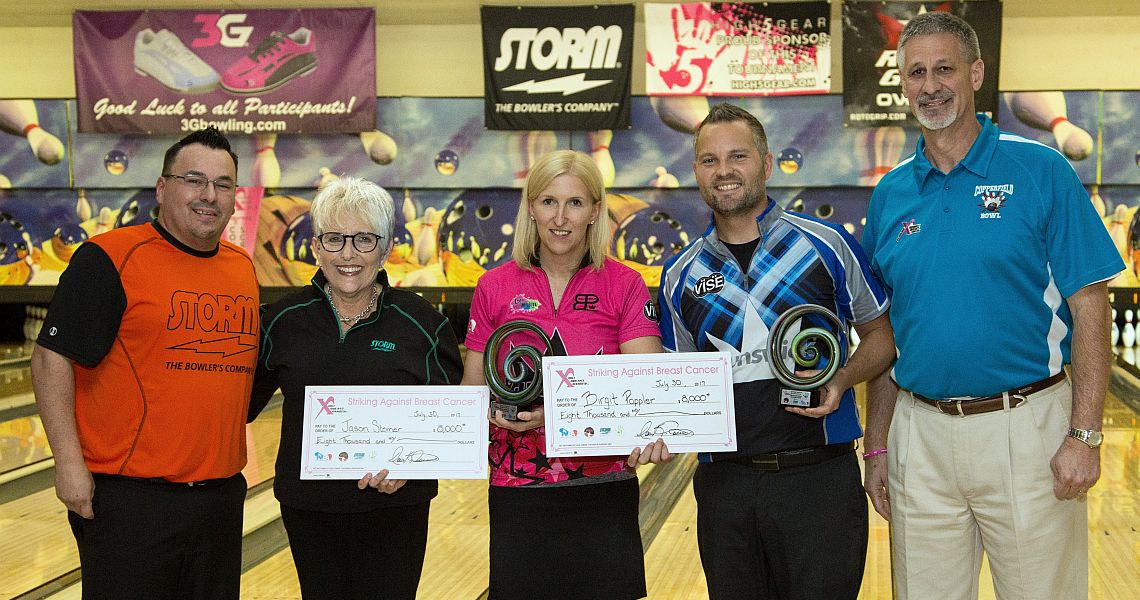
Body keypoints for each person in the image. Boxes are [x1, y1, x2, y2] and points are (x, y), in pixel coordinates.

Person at [860, 13, 1124, 600]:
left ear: (976, 73)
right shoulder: (891, 193)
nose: (930, 85)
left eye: (944, 69)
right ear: (902, 83)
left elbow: (1089, 305)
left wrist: (1084, 434)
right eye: (916, 72)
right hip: (919, 434)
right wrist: (877, 442)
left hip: (1028, 428)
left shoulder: (1041, 170)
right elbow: (884, 331)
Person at [657, 103, 894, 599]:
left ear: (766, 164)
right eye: (709, 160)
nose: (724, 171)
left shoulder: (824, 244)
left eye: (738, 155)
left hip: (819, 480)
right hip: (726, 488)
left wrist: (843, 379)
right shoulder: (679, 273)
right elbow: (674, 380)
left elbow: (882, 336)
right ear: (696, 171)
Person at [31, 126, 257, 599]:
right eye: (194, 180)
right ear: (162, 188)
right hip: (131, 500)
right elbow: (52, 358)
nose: (209, 196)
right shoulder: (110, 257)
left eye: (223, 184)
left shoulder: (242, 267)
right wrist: (68, 465)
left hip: (220, 498)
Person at [460, 150, 670, 600]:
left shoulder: (624, 284)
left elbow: (644, 388)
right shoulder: (494, 285)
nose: (560, 217)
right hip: (519, 487)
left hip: (603, 487)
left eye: (575, 203)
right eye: (548, 201)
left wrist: (556, 416)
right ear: (531, 207)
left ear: (595, 211)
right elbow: (472, 390)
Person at [248, 176, 463, 600]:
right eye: (334, 239)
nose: (348, 254)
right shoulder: (282, 321)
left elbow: (456, 420)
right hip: (309, 506)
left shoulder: (422, 323)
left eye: (364, 240)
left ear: (384, 249)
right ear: (315, 247)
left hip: (396, 506)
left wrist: (412, 466)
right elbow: (238, 402)